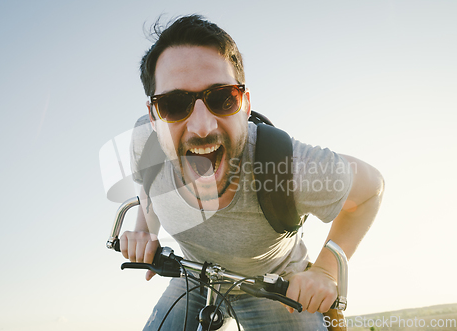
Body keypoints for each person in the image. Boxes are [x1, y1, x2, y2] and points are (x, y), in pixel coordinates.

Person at [120, 15, 384, 331]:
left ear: (245, 105)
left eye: (222, 98)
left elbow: (371, 189)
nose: (202, 127)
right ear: (153, 117)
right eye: (174, 105)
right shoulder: (144, 144)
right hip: (194, 276)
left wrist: (327, 270)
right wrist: (144, 230)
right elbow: (149, 184)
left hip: (273, 285)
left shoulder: (290, 168)